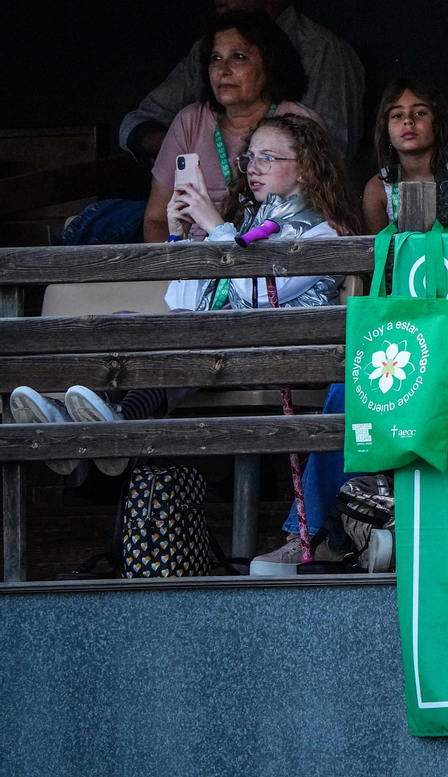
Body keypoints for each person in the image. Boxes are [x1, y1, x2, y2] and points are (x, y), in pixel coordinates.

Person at [10, 114, 367, 572]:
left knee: (192, 340)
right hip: (216, 344)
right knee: (129, 323)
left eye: (267, 157)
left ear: (306, 168)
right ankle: (81, 415)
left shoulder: (323, 232)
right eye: (248, 156)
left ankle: (114, 423)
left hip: (271, 354)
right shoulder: (245, 223)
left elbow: (254, 295)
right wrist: (180, 237)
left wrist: (214, 227)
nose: (252, 167)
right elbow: (182, 302)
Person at [120, 0, 364, 163]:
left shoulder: (322, 50)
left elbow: (333, 155)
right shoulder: (204, 51)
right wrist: (180, 147)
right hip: (210, 202)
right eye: (216, 59)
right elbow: (136, 123)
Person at [141, 11, 322, 243]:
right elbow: (155, 219)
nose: (223, 70)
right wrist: (172, 273)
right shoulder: (190, 121)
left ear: (269, 65)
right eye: (215, 58)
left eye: (238, 57)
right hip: (194, 262)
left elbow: (321, 211)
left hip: (270, 259)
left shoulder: (298, 121)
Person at [362, 77, 448, 233]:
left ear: (438, 123)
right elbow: (375, 252)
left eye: (420, 112)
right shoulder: (378, 189)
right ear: (386, 130)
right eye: (397, 115)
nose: (408, 121)